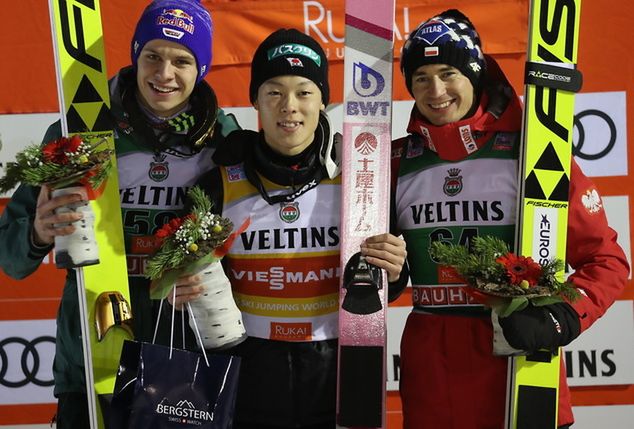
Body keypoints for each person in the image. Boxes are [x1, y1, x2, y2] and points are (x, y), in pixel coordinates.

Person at [0, 0, 239, 427]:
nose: (164, 74)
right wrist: (37, 232)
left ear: (201, 69)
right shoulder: (82, 130)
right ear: (134, 54)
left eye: (182, 61)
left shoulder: (223, 139)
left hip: (182, 356)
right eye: (153, 56)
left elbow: (252, 246)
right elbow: (9, 254)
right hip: (91, 357)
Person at [391, 9, 629, 429]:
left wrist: (564, 315)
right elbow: (381, 272)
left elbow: (606, 260)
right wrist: (382, 275)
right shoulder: (395, 162)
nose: (436, 89)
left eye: (449, 72)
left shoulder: (533, 153)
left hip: (520, 365)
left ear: (475, 74)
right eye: (421, 76)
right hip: (432, 377)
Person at [169, 28, 407, 429]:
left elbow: (386, 286)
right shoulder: (220, 181)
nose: (289, 107)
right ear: (256, 101)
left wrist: (395, 269)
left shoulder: (358, 179)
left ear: (323, 101)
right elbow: (185, 276)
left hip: (337, 372)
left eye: (304, 92)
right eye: (274, 92)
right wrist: (178, 285)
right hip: (247, 376)